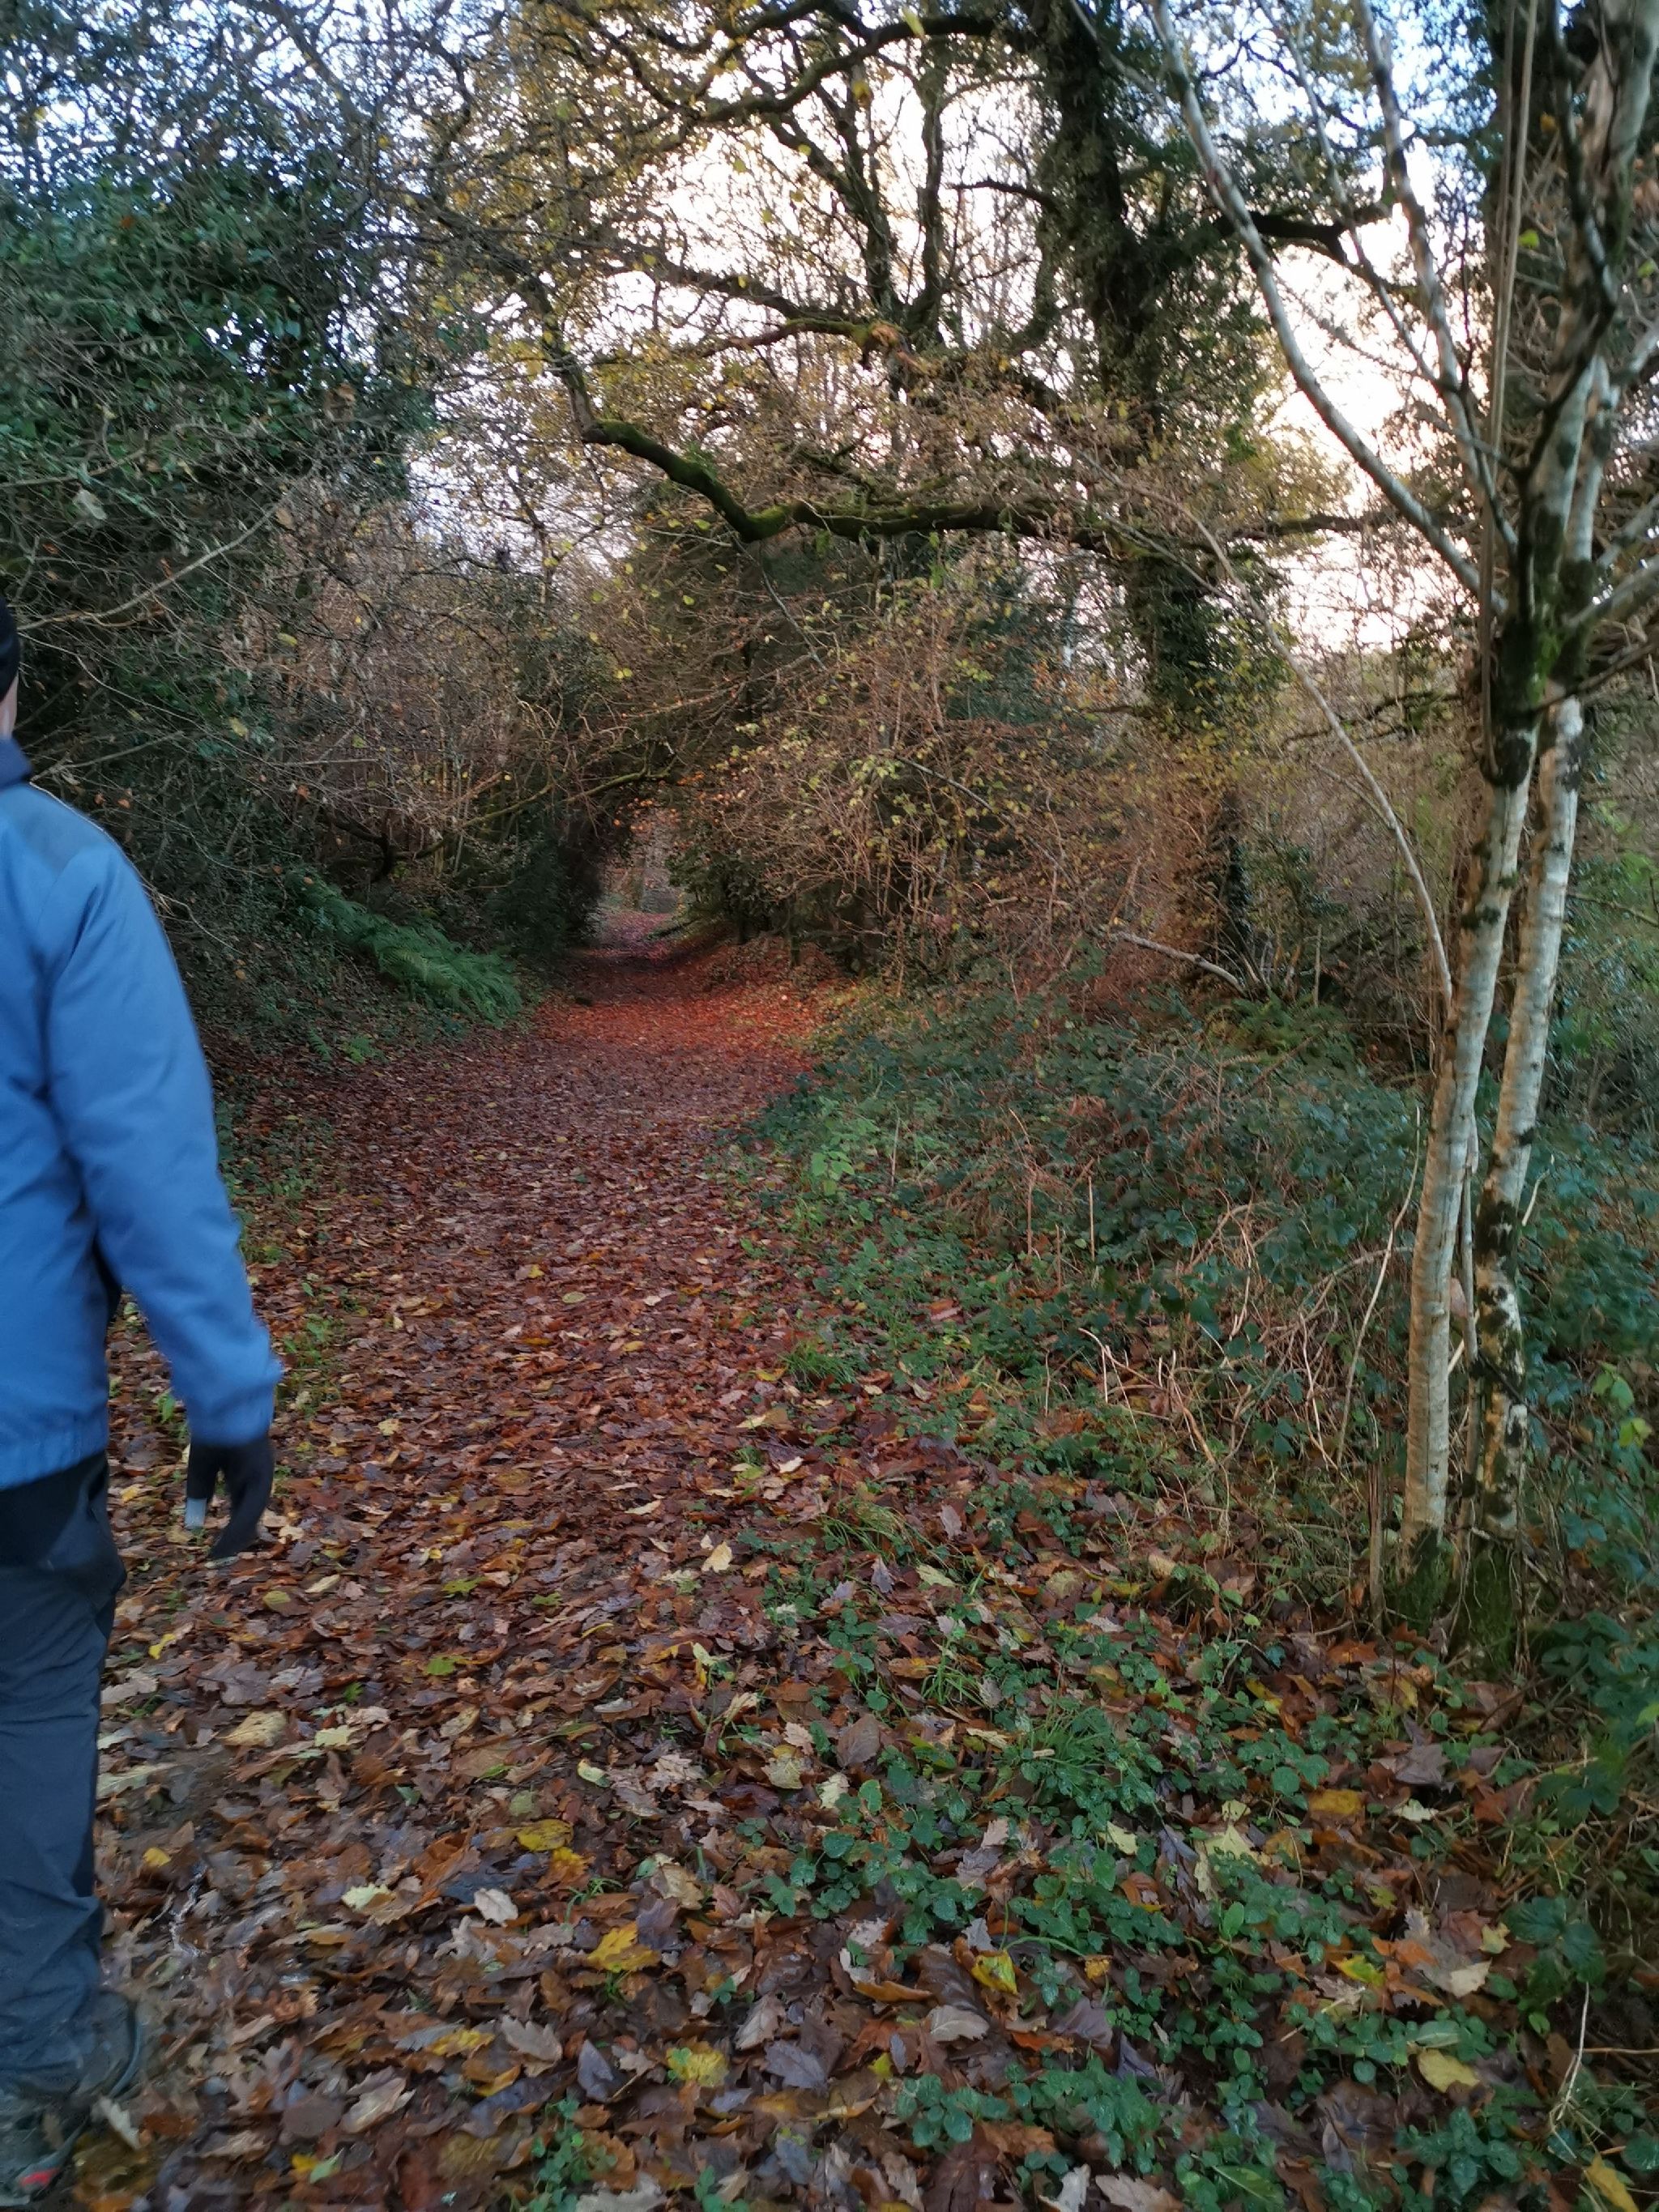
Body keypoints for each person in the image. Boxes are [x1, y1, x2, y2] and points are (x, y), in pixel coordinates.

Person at [0, 593, 282, 2202]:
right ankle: (39, 2046)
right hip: (14, 1433)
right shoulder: (58, 876)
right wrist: (226, 1401)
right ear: (12, 686)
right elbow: (147, 1163)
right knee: (29, 1697)